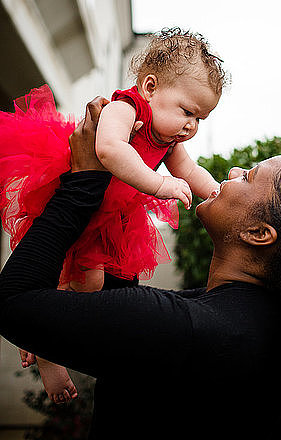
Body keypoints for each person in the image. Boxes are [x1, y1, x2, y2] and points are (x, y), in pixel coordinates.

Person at [0, 98, 281, 439]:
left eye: (251, 175)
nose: (233, 173)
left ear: (260, 233)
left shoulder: (193, 329)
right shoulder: (254, 319)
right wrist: (113, 198)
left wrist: (84, 182)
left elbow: (13, 301)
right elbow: (120, 306)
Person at [0, 28, 229, 403]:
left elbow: (189, 171)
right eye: (187, 111)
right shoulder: (127, 108)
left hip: (111, 218)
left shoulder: (168, 138)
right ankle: (45, 352)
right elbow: (108, 150)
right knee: (69, 282)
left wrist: (217, 191)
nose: (192, 126)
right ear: (150, 87)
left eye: (200, 118)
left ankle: (48, 337)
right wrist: (157, 185)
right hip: (79, 199)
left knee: (92, 285)